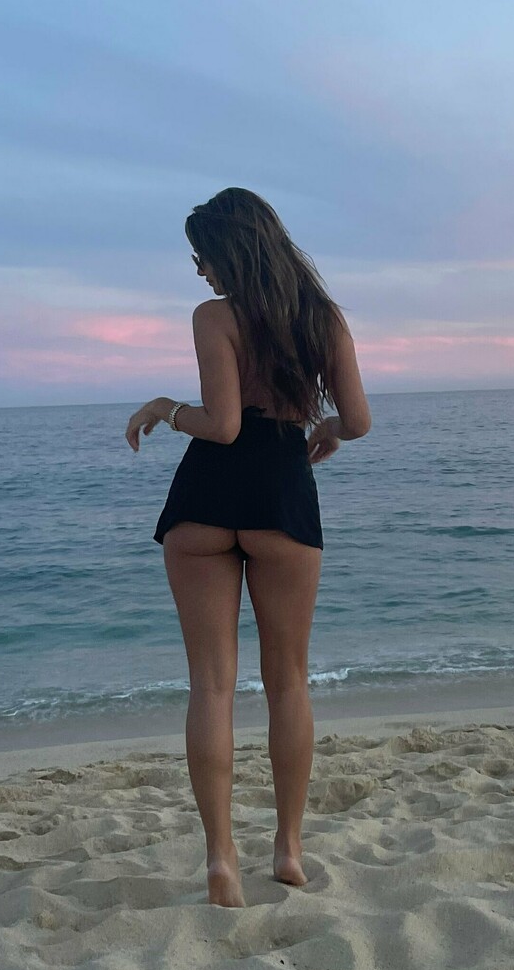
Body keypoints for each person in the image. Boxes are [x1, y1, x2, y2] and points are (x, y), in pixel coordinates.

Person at [125, 187, 372, 908]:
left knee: (211, 685)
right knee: (288, 681)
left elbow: (223, 425)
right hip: (281, 496)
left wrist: (165, 408)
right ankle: (288, 849)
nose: (199, 270)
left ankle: (221, 860)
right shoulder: (323, 318)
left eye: (202, 256)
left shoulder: (214, 318)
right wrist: (325, 429)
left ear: (231, 251)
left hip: (205, 500)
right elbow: (357, 419)